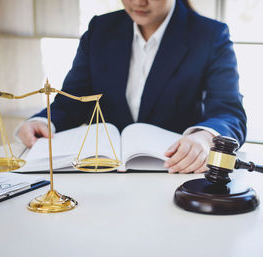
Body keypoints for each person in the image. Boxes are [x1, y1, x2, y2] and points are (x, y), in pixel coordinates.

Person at [17, 0, 247, 174]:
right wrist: (42, 122)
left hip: (174, 174)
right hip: (102, 175)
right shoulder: (100, 29)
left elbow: (229, 112)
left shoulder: (210, 35)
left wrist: (205, 137)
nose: (138, 2)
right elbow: (71, 102)